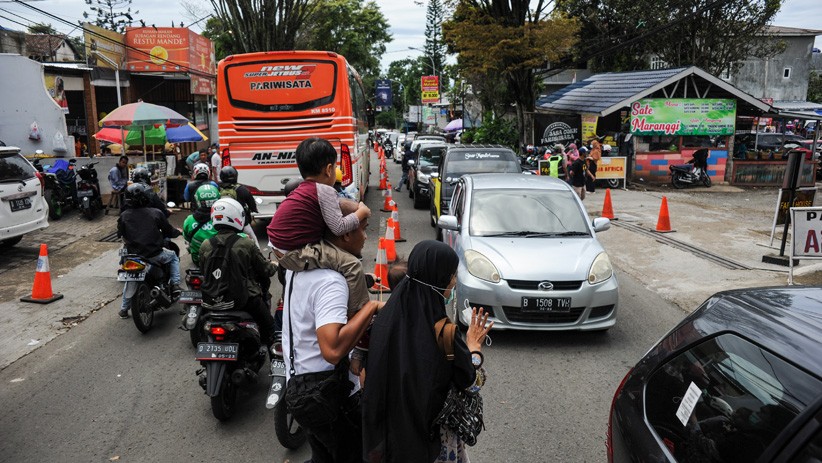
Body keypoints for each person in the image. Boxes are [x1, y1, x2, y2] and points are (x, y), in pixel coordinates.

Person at [362, 240, 493, 463]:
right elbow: (471, 382)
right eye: (451, 275)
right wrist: (474, 347)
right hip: (430, 444)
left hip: (387, 442)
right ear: (438, 280)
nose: (454, 282)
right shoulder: (444, 331)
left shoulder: (385, 319)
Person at [282, 198, 382, 462]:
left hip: (300, 387)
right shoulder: (331, 281)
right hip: (327, 396)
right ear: (346, 232)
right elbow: (332, 350)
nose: (365, 236)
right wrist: (370, 308)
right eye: (363, 228)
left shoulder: (299, 268)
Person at [200, 198, 278, 348]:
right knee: (270, 327)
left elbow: (205, 271)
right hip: (245, 299)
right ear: (237, 217)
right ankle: (275, 361)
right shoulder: (246, 244)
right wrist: (274, 265)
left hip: (212, 300)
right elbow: (264, 270)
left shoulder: (206, 245)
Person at [117, 183, 182, 319]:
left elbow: (121, 235)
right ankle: (175, 285)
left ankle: (123, 308)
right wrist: (178, 232)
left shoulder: (124, 216)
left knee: (130, 278)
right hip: (155, 255)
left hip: (133, 257)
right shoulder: (156, 213)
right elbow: (168, 231)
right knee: (173, 256)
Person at [182, 184, 220, 266]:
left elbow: (187, 238)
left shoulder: (189, 220)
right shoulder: (223, 218)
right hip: (221, 260)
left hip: (198, 260)